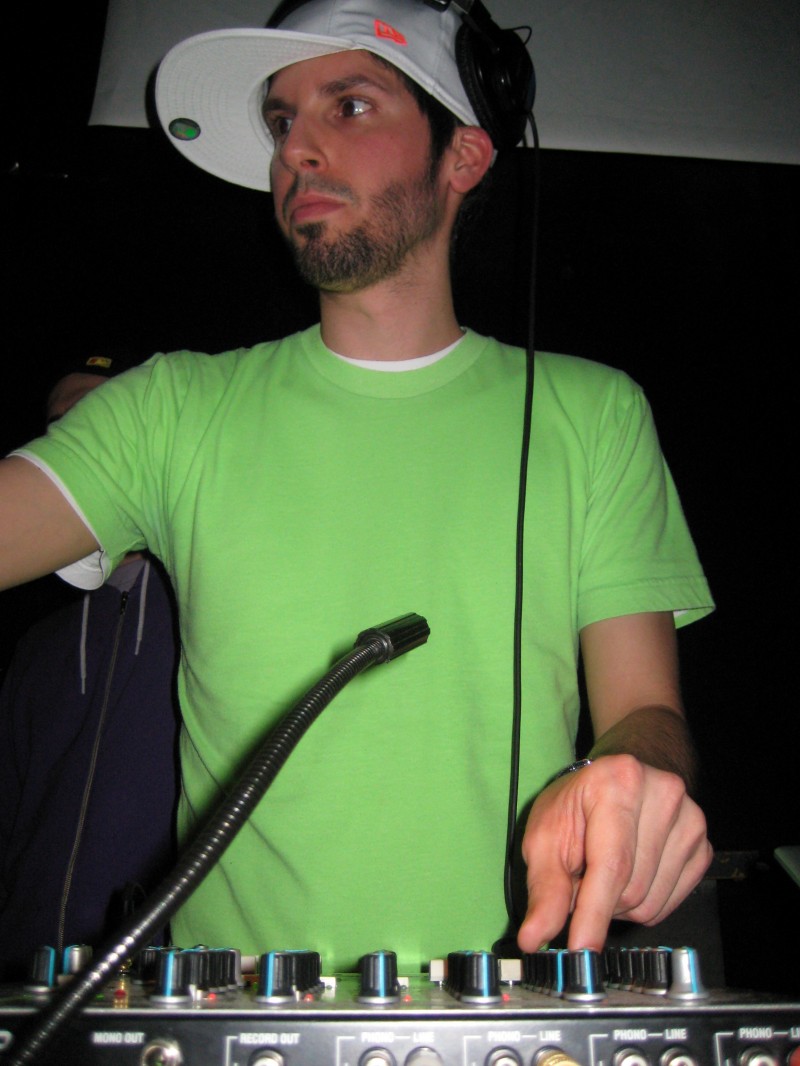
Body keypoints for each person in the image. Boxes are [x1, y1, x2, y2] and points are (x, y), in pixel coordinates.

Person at [0, 0, 714, 974]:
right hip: (237, 1011)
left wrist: (634, 777)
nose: (296, 150)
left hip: (507, 1007)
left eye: (350, 105)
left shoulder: (593, 416)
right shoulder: (170, 409)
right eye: (282, 120)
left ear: (463, 157)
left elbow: (645, 711)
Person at [0, 356, 181, 981]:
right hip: (29, 977)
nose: (73, 440)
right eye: (59, 429)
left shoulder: (215, 608)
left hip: (164, 977)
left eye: (94, 421)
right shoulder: (38, 645)